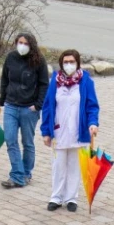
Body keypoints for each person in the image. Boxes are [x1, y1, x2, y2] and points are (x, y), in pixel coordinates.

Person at [40, 49, 99, 212]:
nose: (68, 65)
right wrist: (46, 131)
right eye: (65, 62)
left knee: (75, 166)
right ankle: (56, 197)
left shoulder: (86, 82)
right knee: (58, 165)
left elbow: (92, 106)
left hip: (78, 132)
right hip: (58, 132)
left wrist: (93, 123)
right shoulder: (55, 81)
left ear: (78, 63)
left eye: (72, 62)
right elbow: (47, 107)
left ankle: (71, 198)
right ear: (61, 64)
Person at [0, 32, 49, 189]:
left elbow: (44, 84)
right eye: (20, 42)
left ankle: (26, 173)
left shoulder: (39, 61)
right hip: (11, 105)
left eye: (26, 43)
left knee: (27, 142)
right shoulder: (11, 57)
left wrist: (37, 105)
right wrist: (1, 100)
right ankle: (17, 175)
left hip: (29, 108)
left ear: (31, 45)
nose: (22, 46)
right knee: (10, 139)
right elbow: (5, 79)